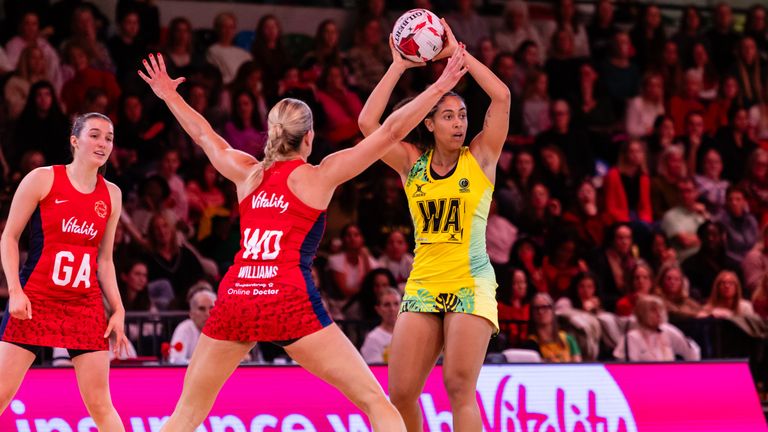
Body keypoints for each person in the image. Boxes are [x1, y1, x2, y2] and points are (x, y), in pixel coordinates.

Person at [139, 45, 467, 430]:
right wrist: (439, 85)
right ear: (309, 136)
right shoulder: (319, 176)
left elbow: (203, 134)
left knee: (187, 412)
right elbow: (391, 131)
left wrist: (169, 95)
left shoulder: (247, 172)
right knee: (375, 402)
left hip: (238, 297)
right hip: (287, 300)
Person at [358, 20, 510, 430]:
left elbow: (501, 95)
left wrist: (457, 55)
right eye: (448, 116)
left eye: (462, 115)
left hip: (470, 282)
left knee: (458, 387)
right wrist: (398, 66)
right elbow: (368, 125)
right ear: (429, 123)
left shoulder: (481, 156)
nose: (459, 123)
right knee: (401, 392)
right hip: (423, 282)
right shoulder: (411, 163)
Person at [0, 113, 128, 428]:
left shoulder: (112, 194)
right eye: (94, 135)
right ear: (74, 140)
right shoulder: (42, 178)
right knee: (1, 393)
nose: (102, 143)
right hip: (36, 299)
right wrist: (15, 290)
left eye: (108, 138)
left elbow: (105, 260)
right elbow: (9, 237)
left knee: (101, 404)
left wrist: (118, 308)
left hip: (84, 304)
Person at [168, 288, 217, 365]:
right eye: (202, 309)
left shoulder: (224, 329)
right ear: (191, 314)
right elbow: (175, 360)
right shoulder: (184, 329)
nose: (207, 314)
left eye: (212, 308)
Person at [360, 287, 402, 364]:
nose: (392, 309)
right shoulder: (373, 338)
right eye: (387, 305)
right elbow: (376, 369)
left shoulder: (411, 334)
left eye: (396, 304)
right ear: (378, 309)